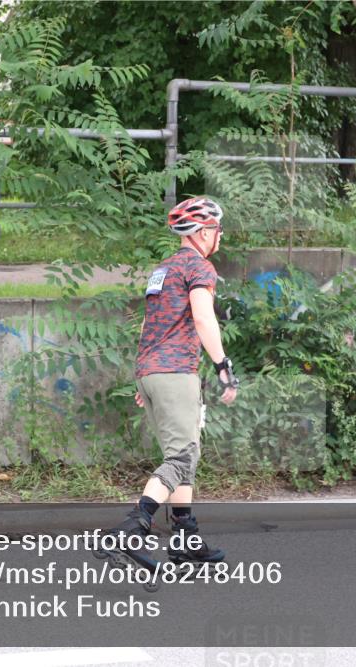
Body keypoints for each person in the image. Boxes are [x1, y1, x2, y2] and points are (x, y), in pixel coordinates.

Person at [105, 196, 239, 566]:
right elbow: (203, 319)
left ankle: (185, 539)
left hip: (151, 372)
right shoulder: (200, 268)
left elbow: (151, 325)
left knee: (183, 456)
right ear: (201, 232)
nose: (220, 237)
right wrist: (222, 365)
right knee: (181, 458)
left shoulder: (161, 270)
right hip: (176, 373)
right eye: (216, 229)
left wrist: (143, 375)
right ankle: (135, 525)